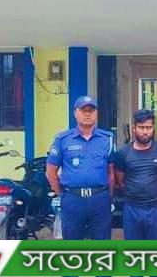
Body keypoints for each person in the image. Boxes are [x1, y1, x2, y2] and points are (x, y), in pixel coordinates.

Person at [46, 95, 115, 240]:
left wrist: (108, 196)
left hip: (99, 199)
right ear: (75, 113)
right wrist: (62, 194)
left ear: (96, 113)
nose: (87, 114)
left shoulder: (107, 139)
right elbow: (51, 172)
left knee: (102, 244)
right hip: (73, 200)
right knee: (73, 245)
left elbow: (111, 172)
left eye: (91, 110)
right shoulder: (62, 139)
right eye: (83, 110)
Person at [114, 109, 157, 240]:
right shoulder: (123, 153)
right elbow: (120, 181)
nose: (145, 132)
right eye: (141, 127)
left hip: (156, 208)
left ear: (153, 128)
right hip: (132, 208)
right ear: (134, 128)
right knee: (133, 249)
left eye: (149, 127)